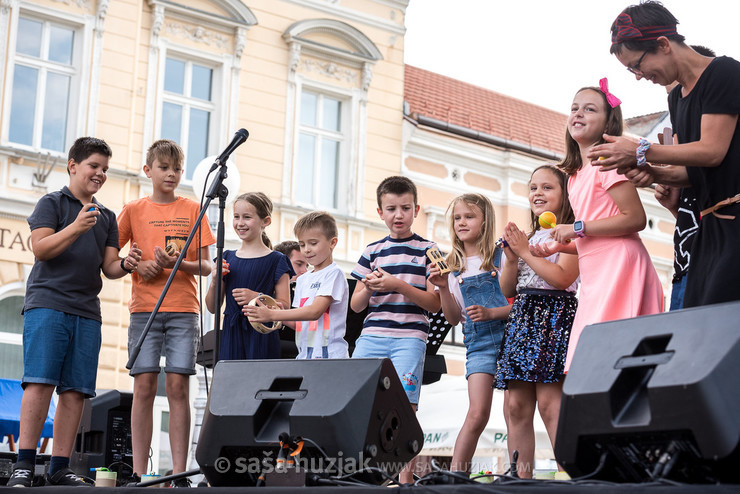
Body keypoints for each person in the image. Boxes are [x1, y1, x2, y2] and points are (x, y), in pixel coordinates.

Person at [8, 137, 142, 487]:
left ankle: (59, 466)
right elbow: (40, 248)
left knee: (76, 391)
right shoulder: (52, 203)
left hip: (87, 310)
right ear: (73, 165)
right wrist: (76, 227)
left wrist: (126, 264)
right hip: (48, 304)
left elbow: (109, 267)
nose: (100, 174)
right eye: (94, 166)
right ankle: (24, 463)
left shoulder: (107, 216)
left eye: (105, 169)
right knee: (39, 382)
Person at [593, 2, 740, 307]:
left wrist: (641, 150)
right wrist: (651, 171)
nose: (637, 75)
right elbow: (695, 171)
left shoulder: (723, 72)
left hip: (735, 221)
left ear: (663, 44)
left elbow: (712, 151)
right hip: (709, 231)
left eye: (637, 64)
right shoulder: (677, 98)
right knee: (700, 329)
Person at [537, 81, 663, 371]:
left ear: (608, 121)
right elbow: (593, 239)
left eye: (589, 109)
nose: (578, 114)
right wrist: (559, 246)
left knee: (613, 364)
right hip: (598, 274)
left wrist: (576, 227)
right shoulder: (574, 176)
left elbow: (635, 219)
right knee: (593, 366)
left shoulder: (606, 160)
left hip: (622, 268)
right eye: (574, 108)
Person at [117, 139, 215, 486]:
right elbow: (113, 258)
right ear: (148, 171)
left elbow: (206, 266)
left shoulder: (192, 209)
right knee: (144, 387)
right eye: (163, 168)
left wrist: (179, 263)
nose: (171, 174)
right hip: (144, 308)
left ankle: (178, 471)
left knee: (178, 387)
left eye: (176, 169)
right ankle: (140, 472)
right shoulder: (132, 210)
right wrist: (138, 265)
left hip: (183, 310)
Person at [349, 176, 441, 484]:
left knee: (404, 407)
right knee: (359, 400)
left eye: (404, 208)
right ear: (380, 212)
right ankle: (361, 473)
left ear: (417, 209)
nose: (398, 215)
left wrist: (397, 284)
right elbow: (357, 306)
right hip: (372, 336)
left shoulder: (430, 250)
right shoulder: (372, 250)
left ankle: (405, 479)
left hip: (409, 338)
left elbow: (433, 304)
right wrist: (369, 287)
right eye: (391, 209)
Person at [495, 165, 580, 478]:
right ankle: (520, 480)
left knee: (550, 405)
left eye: (547, 187)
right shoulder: (528, 237)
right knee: (515, 406)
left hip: (554, 314)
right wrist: (514, 257)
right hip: (524, 314)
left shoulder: (572, 232)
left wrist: (525, 253)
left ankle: (568, 475)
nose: (538, 194)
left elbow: (562, 278)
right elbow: (507, 289)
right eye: (533, 188)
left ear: (565, 194)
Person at [427, 193, 511, 475]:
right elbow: (452, 318)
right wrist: (440, 287)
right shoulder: (451, 267)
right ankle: (457, 477)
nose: (461, 222)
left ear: (485, 221)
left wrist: (491, 314)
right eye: (457, 218)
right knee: (477, 414)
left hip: (511, 338)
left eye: (469, 216)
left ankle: (519, 474)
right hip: (478, 344)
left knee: (515, 413)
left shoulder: (501, 256)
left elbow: (518, 304)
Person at [653, 45, 715, 310]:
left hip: (713, 273)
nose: (678, 104)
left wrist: (642, 156)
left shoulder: (721, 149)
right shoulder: (685, 145)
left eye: (681, 94)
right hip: (685, 267)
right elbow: (696, 223)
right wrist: (674, 206)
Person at [245, 211, 349, 359]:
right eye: (302, 244)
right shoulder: (302, 280)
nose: (306, 249)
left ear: (332, 243)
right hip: (305, 356)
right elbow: (300, 324)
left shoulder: (334, 273)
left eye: (313, 243)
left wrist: (274, 314)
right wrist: (278, 316)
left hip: (330, 356)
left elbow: (314, 312)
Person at [205, 192, 294, 360]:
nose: (240, 223)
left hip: (262, 333)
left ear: (265, 221)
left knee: (260, 382)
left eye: (247, 217)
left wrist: (257, 297)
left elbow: (284, 307)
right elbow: (212, 308)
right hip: (232, 334)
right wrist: (215, 281)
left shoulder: (277, 260)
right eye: (236, 217)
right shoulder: (226, 257)